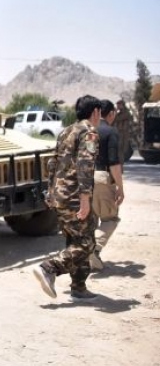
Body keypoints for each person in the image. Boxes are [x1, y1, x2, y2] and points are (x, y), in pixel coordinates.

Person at [32, 94, 102, 301]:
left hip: (59, 195)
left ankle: (78, 287)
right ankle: (49, 268)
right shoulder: (89, 132)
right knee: (87, 243)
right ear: (95, 112)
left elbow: (53, 163)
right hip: (74, 197)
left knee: (75, 239)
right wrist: (85, 200)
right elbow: (85, 165)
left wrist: (50, 192)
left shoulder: (66, 131)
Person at [90, 100, 124, 271]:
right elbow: (114, 163)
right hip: (102, 178)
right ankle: (93, 249)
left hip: (85, 178)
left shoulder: (88, 130)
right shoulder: (111, 132)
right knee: (110, 218)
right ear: (111, 114)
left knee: (91, 219)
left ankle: (91, 259)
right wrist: (120, 187)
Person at [113, 99, 132, 165]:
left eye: (118, 105)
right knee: (118, 152)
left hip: (123, 135)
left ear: (122, 105)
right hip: (119, 134)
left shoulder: (126, 113)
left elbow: (117, 119)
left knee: (120, 152)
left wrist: (115, 112)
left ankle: (120, 167)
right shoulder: (120, 113)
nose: (117, 106)